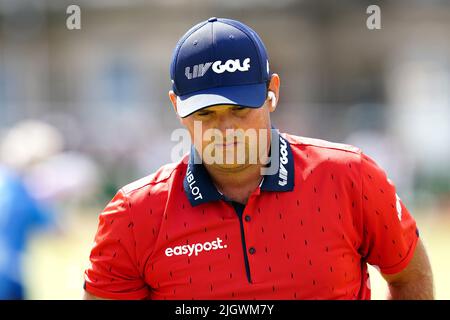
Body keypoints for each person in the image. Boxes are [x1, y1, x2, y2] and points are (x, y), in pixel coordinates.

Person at [83, 17, 433, 300]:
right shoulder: (132, 214)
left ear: (272, 94)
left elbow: (409, 275)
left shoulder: (351, 177)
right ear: (177, 107)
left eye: (239, 109)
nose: (225, 128)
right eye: (205, 114)